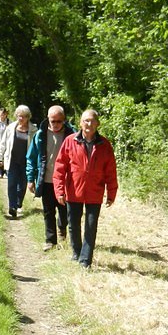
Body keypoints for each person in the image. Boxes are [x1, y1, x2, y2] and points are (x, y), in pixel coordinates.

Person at [53, 109, 118, 268]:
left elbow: (110, 171)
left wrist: (111, 193)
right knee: (73, 224)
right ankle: (76, 252)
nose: (89, 124)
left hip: (95, 192)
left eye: (92, 120)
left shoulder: (105, 145)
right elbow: (60, 167)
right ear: (80, 123)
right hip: (74, 190)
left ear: (97, 124)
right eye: (86, 120)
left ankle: (85, 260)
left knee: (91, 226)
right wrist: (59, 190)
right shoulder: (70, 141)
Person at [27, 106, 76, 251]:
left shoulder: (72, 135)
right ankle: (50, 240)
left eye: (59, 121)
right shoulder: (40, 134)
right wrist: (30, 179)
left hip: (65, 180)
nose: (55, 124)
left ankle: (62, 229)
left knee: (65, 211)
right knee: (48, 211)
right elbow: (31, 157)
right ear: (48, 119)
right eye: (53, 121)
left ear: (64, 120)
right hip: (46, 179)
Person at [0, 105, 37, 218]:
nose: (21, 119)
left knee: (22, 186)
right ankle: (12, 206)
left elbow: (37, 148)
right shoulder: (10, 128)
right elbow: (3, 144)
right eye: (19, 116)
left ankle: (19, 203)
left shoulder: (33, 130)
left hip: (26, 162)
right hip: (12, 160)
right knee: (11, 184)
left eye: (23, 116)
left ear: (28, 117)